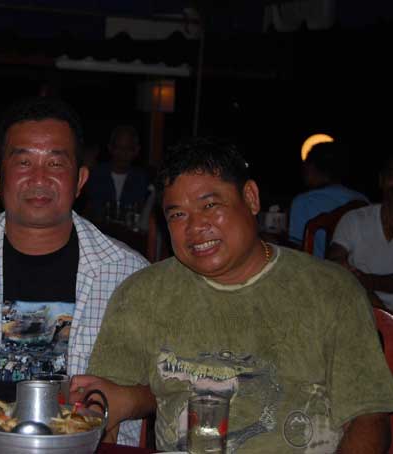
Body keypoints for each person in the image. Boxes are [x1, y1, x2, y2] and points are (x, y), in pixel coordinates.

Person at [72, 137, 393, 453]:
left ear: (251, 198)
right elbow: (103, 403)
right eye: (177, 215)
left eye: (210, 206)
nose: (195, 227)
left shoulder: (329, 290)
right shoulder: (142, 293)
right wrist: (113, 406)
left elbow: (368, 418)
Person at [0, 96, 149, 446]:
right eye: (24, 162)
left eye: (56, 163)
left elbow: (170, 382)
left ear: (80, 180)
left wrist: (131, 399)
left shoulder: (130, 274)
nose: (39, 178)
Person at [327, 153, 393, 312]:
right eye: (392, 175)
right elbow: (334, 260)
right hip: (363, 310)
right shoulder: (355, 219)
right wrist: (341, 266)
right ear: (381, 180)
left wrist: (367, 281)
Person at [288, 141, 368, 257]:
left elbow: (296, 251)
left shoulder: (303, 202)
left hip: (316, 267)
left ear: (312, 167)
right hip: (357, 268)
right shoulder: (362, 199)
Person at [84, 125, 151, 224]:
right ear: (110, 148)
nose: (123, 154)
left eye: (128, 149)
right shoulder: (94, 175)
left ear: (136, 150)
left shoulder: (141, 179)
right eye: (118, 148)